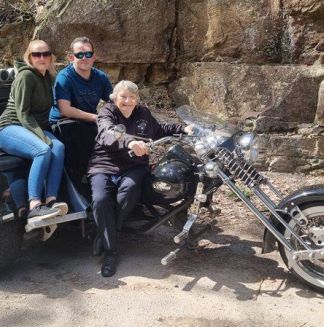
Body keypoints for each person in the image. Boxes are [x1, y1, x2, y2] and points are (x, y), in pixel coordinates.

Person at [87, 80, 193, 277]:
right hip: (104, 165)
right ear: (114, 98)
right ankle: (111, 250)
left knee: (128, 193)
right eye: (123, 97)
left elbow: (160, 128)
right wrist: (130, 142)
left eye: (132, 97)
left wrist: (183, 129)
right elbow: (107, 133)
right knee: (100, 201)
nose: (128, 101)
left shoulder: (143, 113)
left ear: (137, 99)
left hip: (134, 166)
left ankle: (107, 237)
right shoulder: (106, 112)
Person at [0, 40, 68, 224]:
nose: (42, 58)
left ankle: (52, 200)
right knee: (43, 149)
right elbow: (23, 114)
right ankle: (35, 206)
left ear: (51, 56)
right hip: (10, 127)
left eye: (45, 54)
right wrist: (42, 137)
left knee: (59, 147)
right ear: (29, 57)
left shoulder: (48, 77)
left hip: (32, 127)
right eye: (37, 55)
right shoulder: (26, 77)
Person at [49, 37, 112, 191]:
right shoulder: (65, 77)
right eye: (79, 55)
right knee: (80, 133)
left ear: (94, 57)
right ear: (72, 57)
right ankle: (83, 182)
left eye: (88, 54)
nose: (84, 58)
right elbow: (65, 109)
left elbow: (113, 101)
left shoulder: (100, 77)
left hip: (88, 121)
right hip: (63, 122)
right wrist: (97, 118)